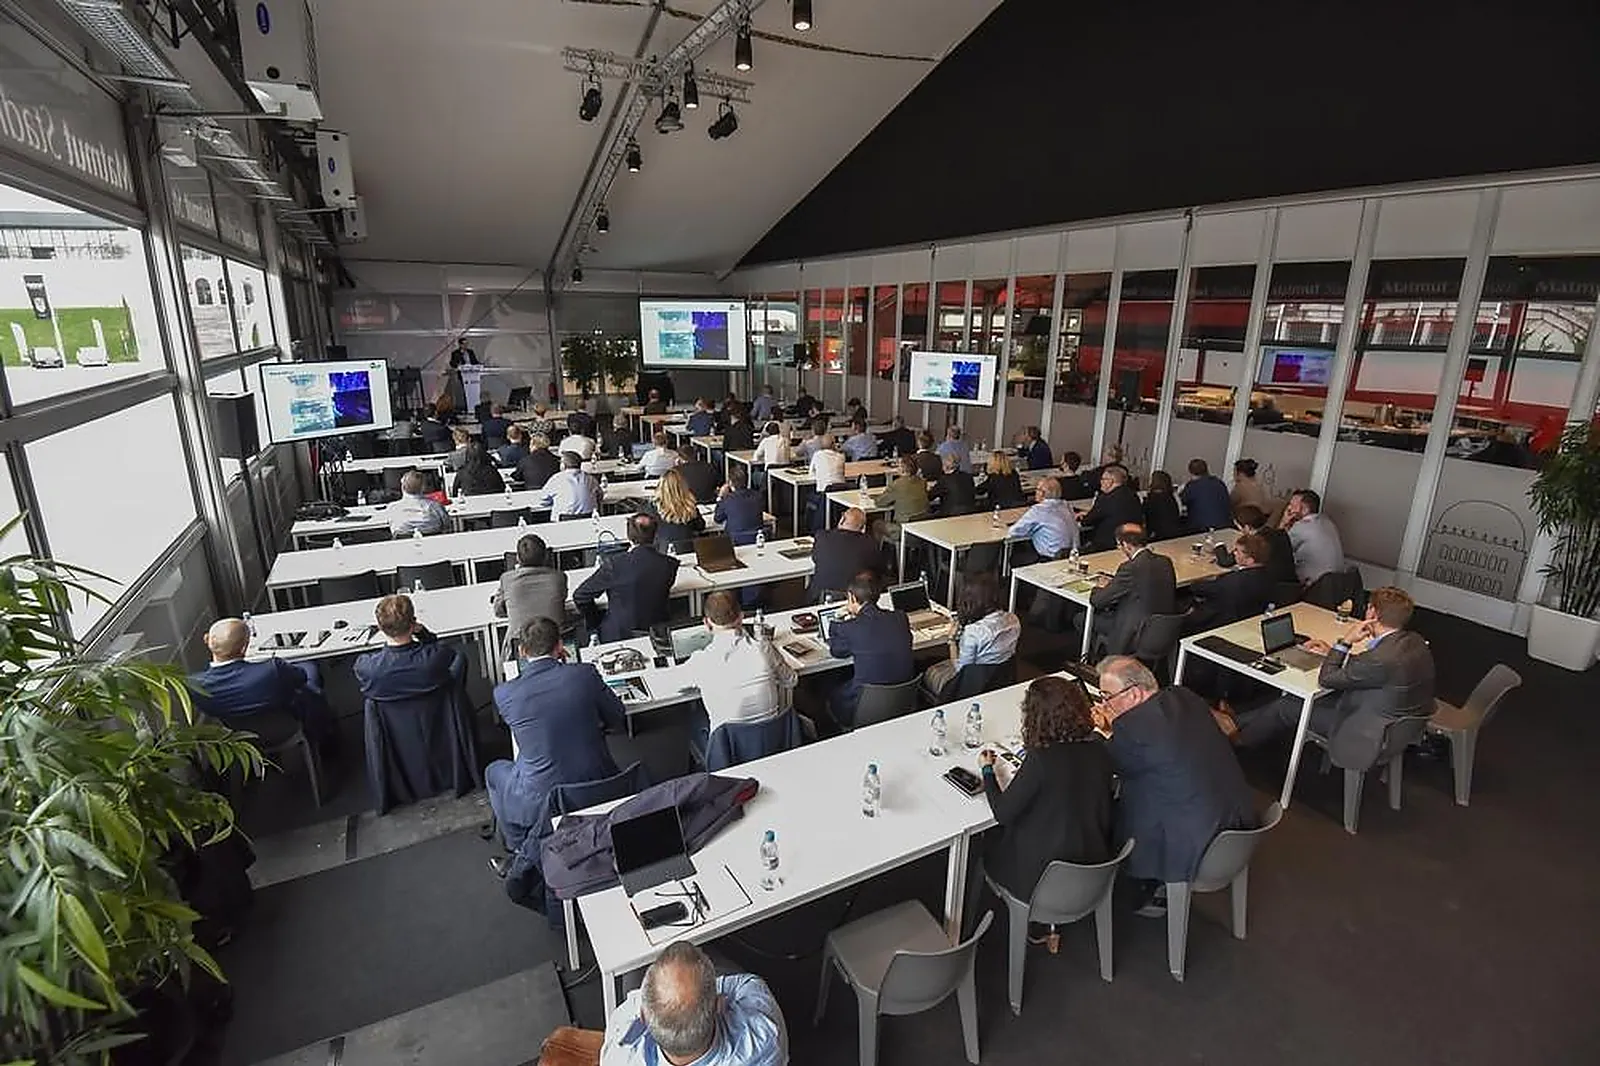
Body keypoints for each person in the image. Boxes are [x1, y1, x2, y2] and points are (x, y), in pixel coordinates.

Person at [1091, 656, 1257, 916]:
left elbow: (1107, 765)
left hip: (1196, 846)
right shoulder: (1184, 696)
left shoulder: (1133, 729)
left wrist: (1106, 732)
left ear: (1134, 693)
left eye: (1107, 696)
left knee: (1110, 807)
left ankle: (1132, 889)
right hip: (1239, 821)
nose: (1104, 704)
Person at [1225, 587, 1436, 756]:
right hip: (1391, 722)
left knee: (1288, 706)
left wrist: (1344, 643)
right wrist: (1332, 653)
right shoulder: (1414, 641)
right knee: (1290, 701)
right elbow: (1375, 668)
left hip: (1364, 729)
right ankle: (1235, 723)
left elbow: (1326, 679)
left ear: (1373, 613)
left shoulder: (1380, 659)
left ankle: (1239, 741)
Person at [484, 616, 625, 865]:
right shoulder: (584, 675)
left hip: (542, 794)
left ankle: (520, 849)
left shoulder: (504, 694)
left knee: (494, 771)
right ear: (560, 646)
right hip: (600, 782)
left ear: (521, 651)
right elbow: (617, 718)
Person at [976, 676, 1114, 900]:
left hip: (1039, 879)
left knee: (987, 841)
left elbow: (1002, 814)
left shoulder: (1042, 760)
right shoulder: (1100, 750)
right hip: (1093, 867)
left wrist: (987, 771)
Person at [600, 941, 787, 1066]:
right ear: (719, 1006)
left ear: (643, 1016)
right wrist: (710, 992)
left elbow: (633, 1003)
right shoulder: (765, 1038)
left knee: (631, 965)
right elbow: (749, 984)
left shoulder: (620, 1055)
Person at [666, 592, 799, 760]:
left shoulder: (702, 660)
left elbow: (671, 685)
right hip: (772, 744)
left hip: (728, 753)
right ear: (741, 617)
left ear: (706, 623)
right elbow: (791, 680)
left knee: (690, 716)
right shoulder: (763, 648)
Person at [186, 619, 335, 745]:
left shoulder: (195, 685)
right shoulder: (272, 669)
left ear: (207, 640)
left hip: (239, 738)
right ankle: (324, 734)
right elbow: (300, 677)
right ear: (244, 646)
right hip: (283, 728)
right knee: (309, 668)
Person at [573, 512, 681, 641]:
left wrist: (596, 620)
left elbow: (580, 596)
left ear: (629, 536)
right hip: (658, 632)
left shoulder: (615, 564)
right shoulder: (670, 564)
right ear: (656, 536)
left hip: (618, 634)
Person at [826, 571, 914, 726]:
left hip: (862, 706)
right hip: (902, 702)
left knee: (829, 691)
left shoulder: (851, 628)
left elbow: (836, 651)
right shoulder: (900, 617)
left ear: (852, 597)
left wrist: (836, 620)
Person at [920, 571, 1020, 699]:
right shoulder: (1014, 620)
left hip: (970, 687)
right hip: (1000, 682)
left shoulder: (974, 632)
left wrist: (951, 641)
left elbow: (960, 670)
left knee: (927, 671)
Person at [1084, 524, 1177, 656]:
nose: (1119, 549)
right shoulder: (1165, 561)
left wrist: (1099, 587)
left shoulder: (1130, 568)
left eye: (1119, 545)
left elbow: (1097, 601)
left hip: (1134, 632)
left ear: (1126, 545)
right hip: (1163, 629)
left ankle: (1102, 659)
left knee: (1081, 619)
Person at [354, 594, 466, 702]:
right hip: (438, 714)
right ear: (413, 624)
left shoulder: (367, 667)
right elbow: (441, 649)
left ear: (380, 627)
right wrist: (423, 633)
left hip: (392, 720)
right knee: (460, 658)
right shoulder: (436, 657)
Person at [1184, 532, 1275, 634]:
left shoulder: (1233, 581)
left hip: (1219, 624)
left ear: (1250, 560)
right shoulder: (1270, 576)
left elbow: (1198, 588)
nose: (1234, 553)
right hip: (1248, 621)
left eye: (1238, 552)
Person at [492, 533, 569, 644]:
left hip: (521, 645)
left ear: (517, 558)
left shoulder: (507, 579)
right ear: (546, 556)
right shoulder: (559, 577)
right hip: (556, 643)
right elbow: (562, 599)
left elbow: (498, 612)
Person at [808, 507, 883, 602]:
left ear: (842, 520)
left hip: (820, 597)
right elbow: (878, 570)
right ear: (863, 528)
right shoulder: (871, 543)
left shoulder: (822, 536)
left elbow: (815, 558)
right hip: (858, 599)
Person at [1007, 475, 1080, 566]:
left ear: (1043, 493)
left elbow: (1013, 532)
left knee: (1015, 557)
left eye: (1037, 489)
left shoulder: (1039, 510)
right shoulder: (1066, 505)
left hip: (1051, 558)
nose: (1035, 492)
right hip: (1072, 556)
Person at [1280, 488, 1345, 585]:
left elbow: (1276, 546)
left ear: (1305, 509)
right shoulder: (1327, 521)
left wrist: (1283, 522)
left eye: (1292, 506)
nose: (1289, 508)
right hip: (1335, 584)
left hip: (1314, 586)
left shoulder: (1302, 526)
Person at [1078, 465, 1143, 552]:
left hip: (1106, 545)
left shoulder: (1106, 498)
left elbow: (1087, 522)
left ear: (1110, 481)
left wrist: (1084, 517)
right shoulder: (1133, 495)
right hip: (1131, 542)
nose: (1101, 482)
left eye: (1103, 479)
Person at [1234, 504, 1298, 587]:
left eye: (1238, 527)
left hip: (1271, 589)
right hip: (1292, 587)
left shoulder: (1255, 543)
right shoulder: (1280, 533)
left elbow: (1226, 561)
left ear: (1247, 527)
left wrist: (1218, 545)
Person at [652, 467, 708, 551]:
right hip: (689, 550)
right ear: (683, 486)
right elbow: (700, 526)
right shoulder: (690, 507)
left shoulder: (653, 508)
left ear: (661, 486)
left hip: (663, 551)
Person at [875, 455, 930, 539]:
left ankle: (879, 551)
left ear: (903, 469)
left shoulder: (897, 484)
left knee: (877, 524)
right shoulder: (922, 482)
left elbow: (879, 503)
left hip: (902, 529)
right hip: (922, 527)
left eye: (899, 465)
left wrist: (875, 497)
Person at [1178, 458, 1233, 532]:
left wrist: (1181, 490)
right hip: (1225, 526)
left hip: (1202, 528)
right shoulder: (1219, 483)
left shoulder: (1192, 485)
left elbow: (1180, 502)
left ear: (1190, 472)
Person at [540, 452, 602, 517]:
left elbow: (542, 500)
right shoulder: (591, 479)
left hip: (562, 524)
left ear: (563, 465)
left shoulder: (556, 479)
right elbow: (599, 497)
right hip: (589, 522)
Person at [388, 470, 449, 536]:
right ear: (424, 488)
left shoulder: (393, 508)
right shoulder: (435, 506)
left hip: (402, 544)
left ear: (402, 487)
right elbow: (446, 524)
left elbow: (392, 528)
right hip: (435, 543)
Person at [714, 465, 765, 542]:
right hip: (756, 540)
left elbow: (717, 519)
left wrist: (720, 497)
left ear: (730, 482)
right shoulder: (758, 496)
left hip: (734, 542)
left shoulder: (727, 499)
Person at [929, 450, 977, 516]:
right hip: (970, 514)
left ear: (944, 465)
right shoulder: (968, 476)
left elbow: (930, 497)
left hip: (950, 515)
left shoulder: (944, 480)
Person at [1142, 470, 1184, 542]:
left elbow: (1146, 517)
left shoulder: (1151, 499)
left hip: (1157, 535)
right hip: (1174, 533)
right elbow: (1180, 512)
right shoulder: (1173, 496)